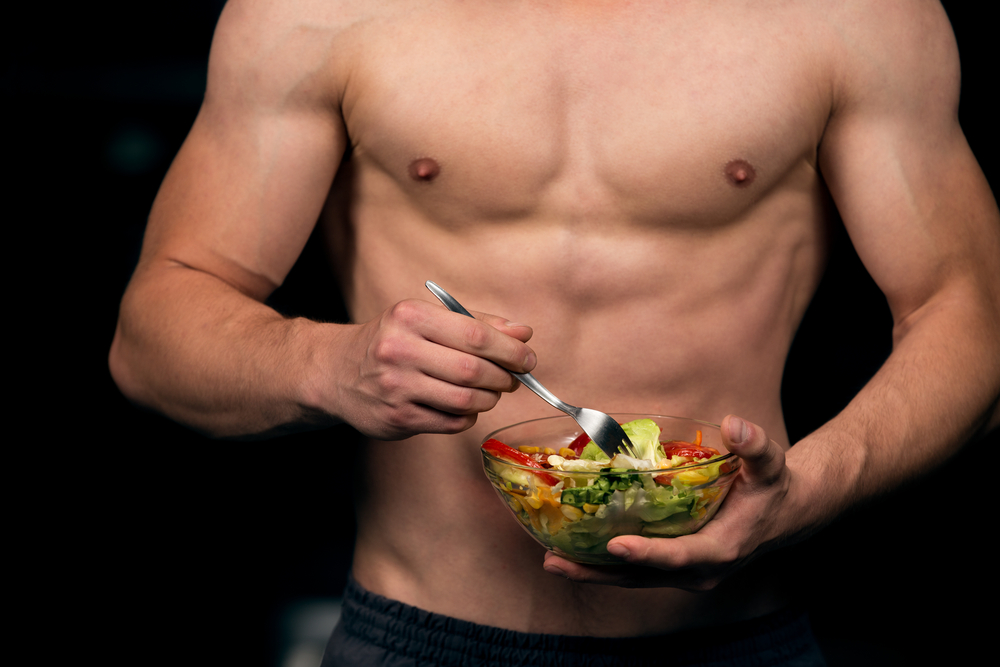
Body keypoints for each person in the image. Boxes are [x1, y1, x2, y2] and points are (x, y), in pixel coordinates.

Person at [110, 0, 1000, 664]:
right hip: (420, 638)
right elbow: (154, 334)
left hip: (738, 637)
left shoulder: (853, 14)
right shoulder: (319, 10)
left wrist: (805, 492)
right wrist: (325, 362)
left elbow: (969, 323)